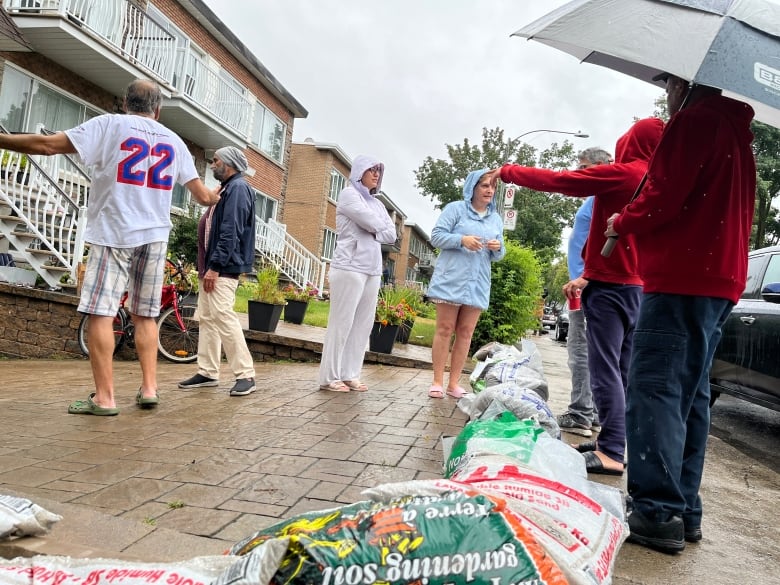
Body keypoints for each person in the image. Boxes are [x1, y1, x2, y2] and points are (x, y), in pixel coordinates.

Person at [0, 79, 218, 415]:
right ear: (157, 110)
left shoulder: (109, 125)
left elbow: (47, 146)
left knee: (101, 312)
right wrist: (226, 193)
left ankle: (104, 398)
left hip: (114, 232)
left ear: (124, 102)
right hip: (155, 236)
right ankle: (149, 389)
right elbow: (204, 197)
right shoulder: (174, 141)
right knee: (145, 315)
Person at [607, 76, 756, 553]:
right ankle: (684, 509)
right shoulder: (735, 132)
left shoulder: (693, 121)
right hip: (720, 280)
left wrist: (623, 220)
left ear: (684, 82)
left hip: (681, 276)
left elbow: (664, 197)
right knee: (689, 398)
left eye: (668, 81)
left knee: (654, 389)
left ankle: (655, 511)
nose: (666, 89)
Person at [485, 117, 664, 475]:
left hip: (611, 290)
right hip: (638, 288)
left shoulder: (625, 173)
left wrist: (508, 171)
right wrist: (587, 276)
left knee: (602, 369)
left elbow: (562, 182)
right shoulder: (659, 182)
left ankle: (611, 450)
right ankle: (613, 440)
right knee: (623, 370)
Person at [178, 147, 257, 397]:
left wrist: (215, 266)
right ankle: (208, 372)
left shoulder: (238, 189)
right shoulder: (225, 189)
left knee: (223, 316)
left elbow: (230, 231)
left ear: (230, 164)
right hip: (210, 268)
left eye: (216, 161)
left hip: (222, 268)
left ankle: (246, 374)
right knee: (209, 319)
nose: (212, 165)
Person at [318, 155, 397, 392]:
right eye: (371, 169)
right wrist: (376, 229)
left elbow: (391, 236)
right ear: (360, 171)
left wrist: (376, 229)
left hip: (372, 270)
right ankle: (329, 377)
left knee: (362, 325)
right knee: (341, 322)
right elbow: (370, 223)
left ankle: (350, 373)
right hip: (349, 267)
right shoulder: (348, 194)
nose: (376, 174)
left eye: (379, 171)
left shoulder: (379, 204)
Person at [426, 169, 505, 399]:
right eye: (484, 185)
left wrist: (497, 248)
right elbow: (437, 236)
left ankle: (453, 383)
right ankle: (437, 381)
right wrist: (462, 240)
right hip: (451, 280)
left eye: (492, 186)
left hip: (478, 282)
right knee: (444, 329)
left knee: (466, 332)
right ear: (472, 187)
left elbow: (500, 253)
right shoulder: (455, 209)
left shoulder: (496, 219)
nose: (489, 190)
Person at [557, 147, 613, 437]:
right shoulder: (595, 199)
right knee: (588, 351)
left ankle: (581, 413)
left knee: (581, 350)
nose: (579, 172)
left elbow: (610, 242)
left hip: (586, 287)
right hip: (583, 285)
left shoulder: (601, 199)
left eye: (584, 167)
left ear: (602, 167)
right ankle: (590, 414)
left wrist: (585, 277)